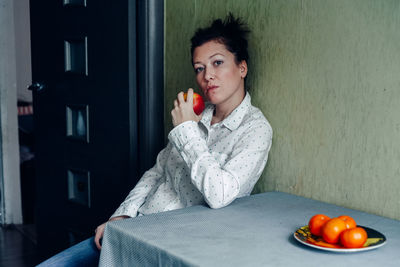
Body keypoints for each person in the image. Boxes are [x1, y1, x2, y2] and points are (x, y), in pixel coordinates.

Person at [36, 13, 272, 267]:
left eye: (217, 63)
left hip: (176, 243)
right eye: (199, 68)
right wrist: (122, 215)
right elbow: (158, 172)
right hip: (139, 224)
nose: (207, 76)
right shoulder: (195, 116)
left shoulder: (255, 130)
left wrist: (186, 131)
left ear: (242, 67)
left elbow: (219, 195)